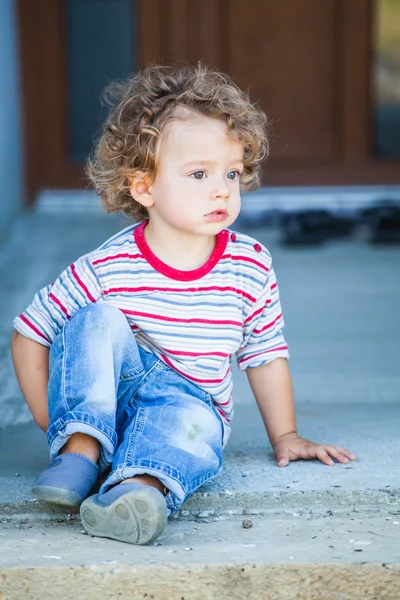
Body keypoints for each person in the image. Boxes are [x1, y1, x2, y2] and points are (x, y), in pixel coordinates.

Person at [11, 63, 355, 546]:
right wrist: (59, 430)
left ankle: (137, 491)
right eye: (199, 174)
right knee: (94, 320)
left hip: (189, 407)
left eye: (232, 173)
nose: (222, 189)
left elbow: (264, 352)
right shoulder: (107, 266)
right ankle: (82, 454)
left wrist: (287, 436)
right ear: (144, 186)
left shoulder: (248, 266)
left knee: (193, 424)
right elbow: (30, 335)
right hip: (111, 403)